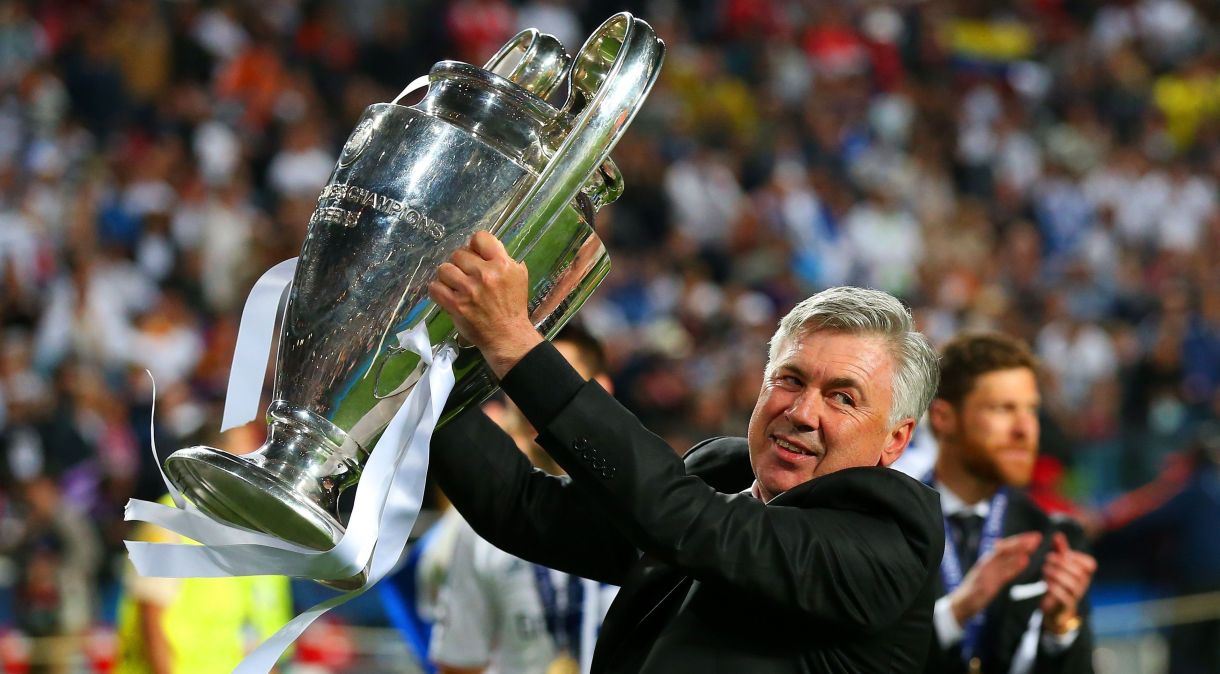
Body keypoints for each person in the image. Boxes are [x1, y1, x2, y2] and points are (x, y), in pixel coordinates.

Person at [425, 231, 945, 673]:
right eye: (790, 379)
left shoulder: (892, 535)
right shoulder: (721, 473)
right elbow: (527, 507)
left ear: (895, 440)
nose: (803, 412)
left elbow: (684, 520)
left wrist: (514, 342)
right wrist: (412, 379)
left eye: (843, 397)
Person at [428, 324, 619, 674]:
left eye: (556, 382)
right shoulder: (475, 526)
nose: (535, 399)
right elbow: (460, 661)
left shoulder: (643, 512)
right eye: (522, 382)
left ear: (601, 390)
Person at [923, 332, 1096, 674]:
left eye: (1031, 410)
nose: (1025, 429)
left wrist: (1058, 630)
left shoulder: (1054, 537)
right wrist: (955, 614)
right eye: (1003, 408)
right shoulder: (888, 526)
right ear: (943, 418)